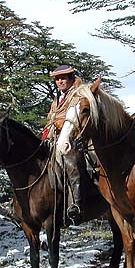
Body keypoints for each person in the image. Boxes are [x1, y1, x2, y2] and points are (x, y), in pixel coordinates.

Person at [43, 64, 85, 224]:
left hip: (72, 139)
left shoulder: (77, 94)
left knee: (71, 163)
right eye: (57, 79)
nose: (60, 81)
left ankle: (75, 204)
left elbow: (75, 117)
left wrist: (59, 124)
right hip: (53, 138)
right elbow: (50, 119)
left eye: (63, 78)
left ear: (70, 78)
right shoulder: (57, 99)